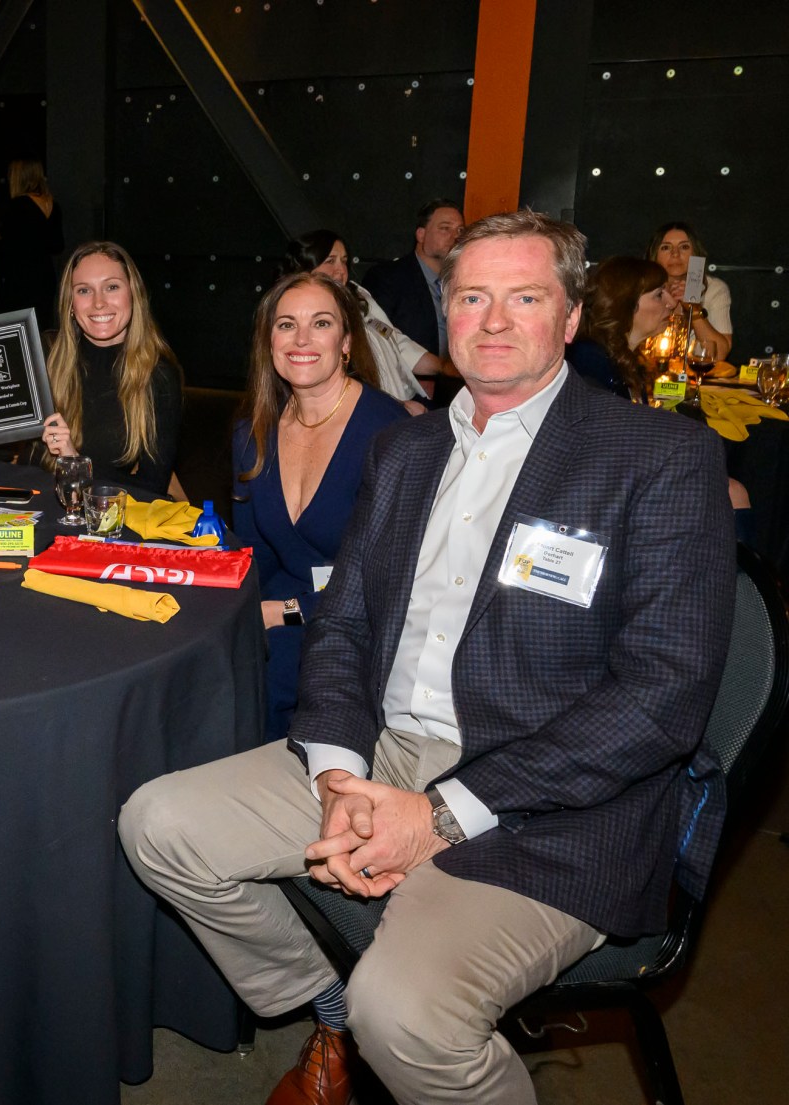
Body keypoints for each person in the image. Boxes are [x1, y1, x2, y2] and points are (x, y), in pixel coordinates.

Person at [120, 211, 734, 1105]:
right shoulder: (406, 449)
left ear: (570, 317)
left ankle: (378, 1015)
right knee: (159, 824)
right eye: (472, 298)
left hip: (553, 801)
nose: (493, 320)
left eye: (525, 298)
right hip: (387, 748)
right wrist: (337, 773)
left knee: (405, 1014)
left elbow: (661, 698)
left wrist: (439, 816)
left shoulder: (659, 457)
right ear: (445, 316)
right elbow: (343, 625)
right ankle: (329, 1006)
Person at [232, 273, 408, 744]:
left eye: (321, 323)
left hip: (358, 621)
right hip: (276, 612)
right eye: (287, 325)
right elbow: (252, 556)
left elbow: (392, 583)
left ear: (346, 342)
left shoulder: (389, 434)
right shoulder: (253, 433)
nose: (302, 340)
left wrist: (284, 612)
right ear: (269, 341)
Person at [0, 241, 182, 500]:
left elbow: (152, 489)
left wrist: (76, 464)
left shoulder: (158, 375)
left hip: (93, 515)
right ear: (70, 304)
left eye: (112, 287)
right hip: (27, 504)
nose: (99, 303)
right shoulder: (43, 351)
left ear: (134, 294)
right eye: (84, 290)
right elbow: (17, 442)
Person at [285, 230, 442, 413]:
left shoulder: (358, 295)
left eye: (344, 261)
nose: (341, 270)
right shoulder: (304, 314)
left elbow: (391, 337)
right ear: (306, 267)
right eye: (330, 261)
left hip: (401, 399)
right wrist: (397, 405)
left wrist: (442, 366)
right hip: (368, 409)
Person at [361, 198, 464, 361]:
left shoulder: (465, 281)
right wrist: (431, 365)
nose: (456, 236)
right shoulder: (388, 277)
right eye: (445, 228)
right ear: (421, 235)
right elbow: (376, 328)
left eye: (460, 230)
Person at [565, 256, 672, 399]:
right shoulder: (590, 361)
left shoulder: (624, 358)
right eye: (659, 295)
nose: (671, 303)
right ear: (626, 304)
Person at [649, 222, 732, 363]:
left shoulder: (714, 289)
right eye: (666, 247)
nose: (675, 254)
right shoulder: (643, 288)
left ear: (695, 253)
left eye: (684, 247)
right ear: (655, 255)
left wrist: (694, 309)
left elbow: (718, 355)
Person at [0, 159, 63, 323]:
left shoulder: (16, 206)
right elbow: (58, 245)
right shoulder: (53, 205)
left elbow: (8, 249)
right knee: (42, 324)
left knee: (18, 328)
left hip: (20, 279)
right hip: (45, 276)